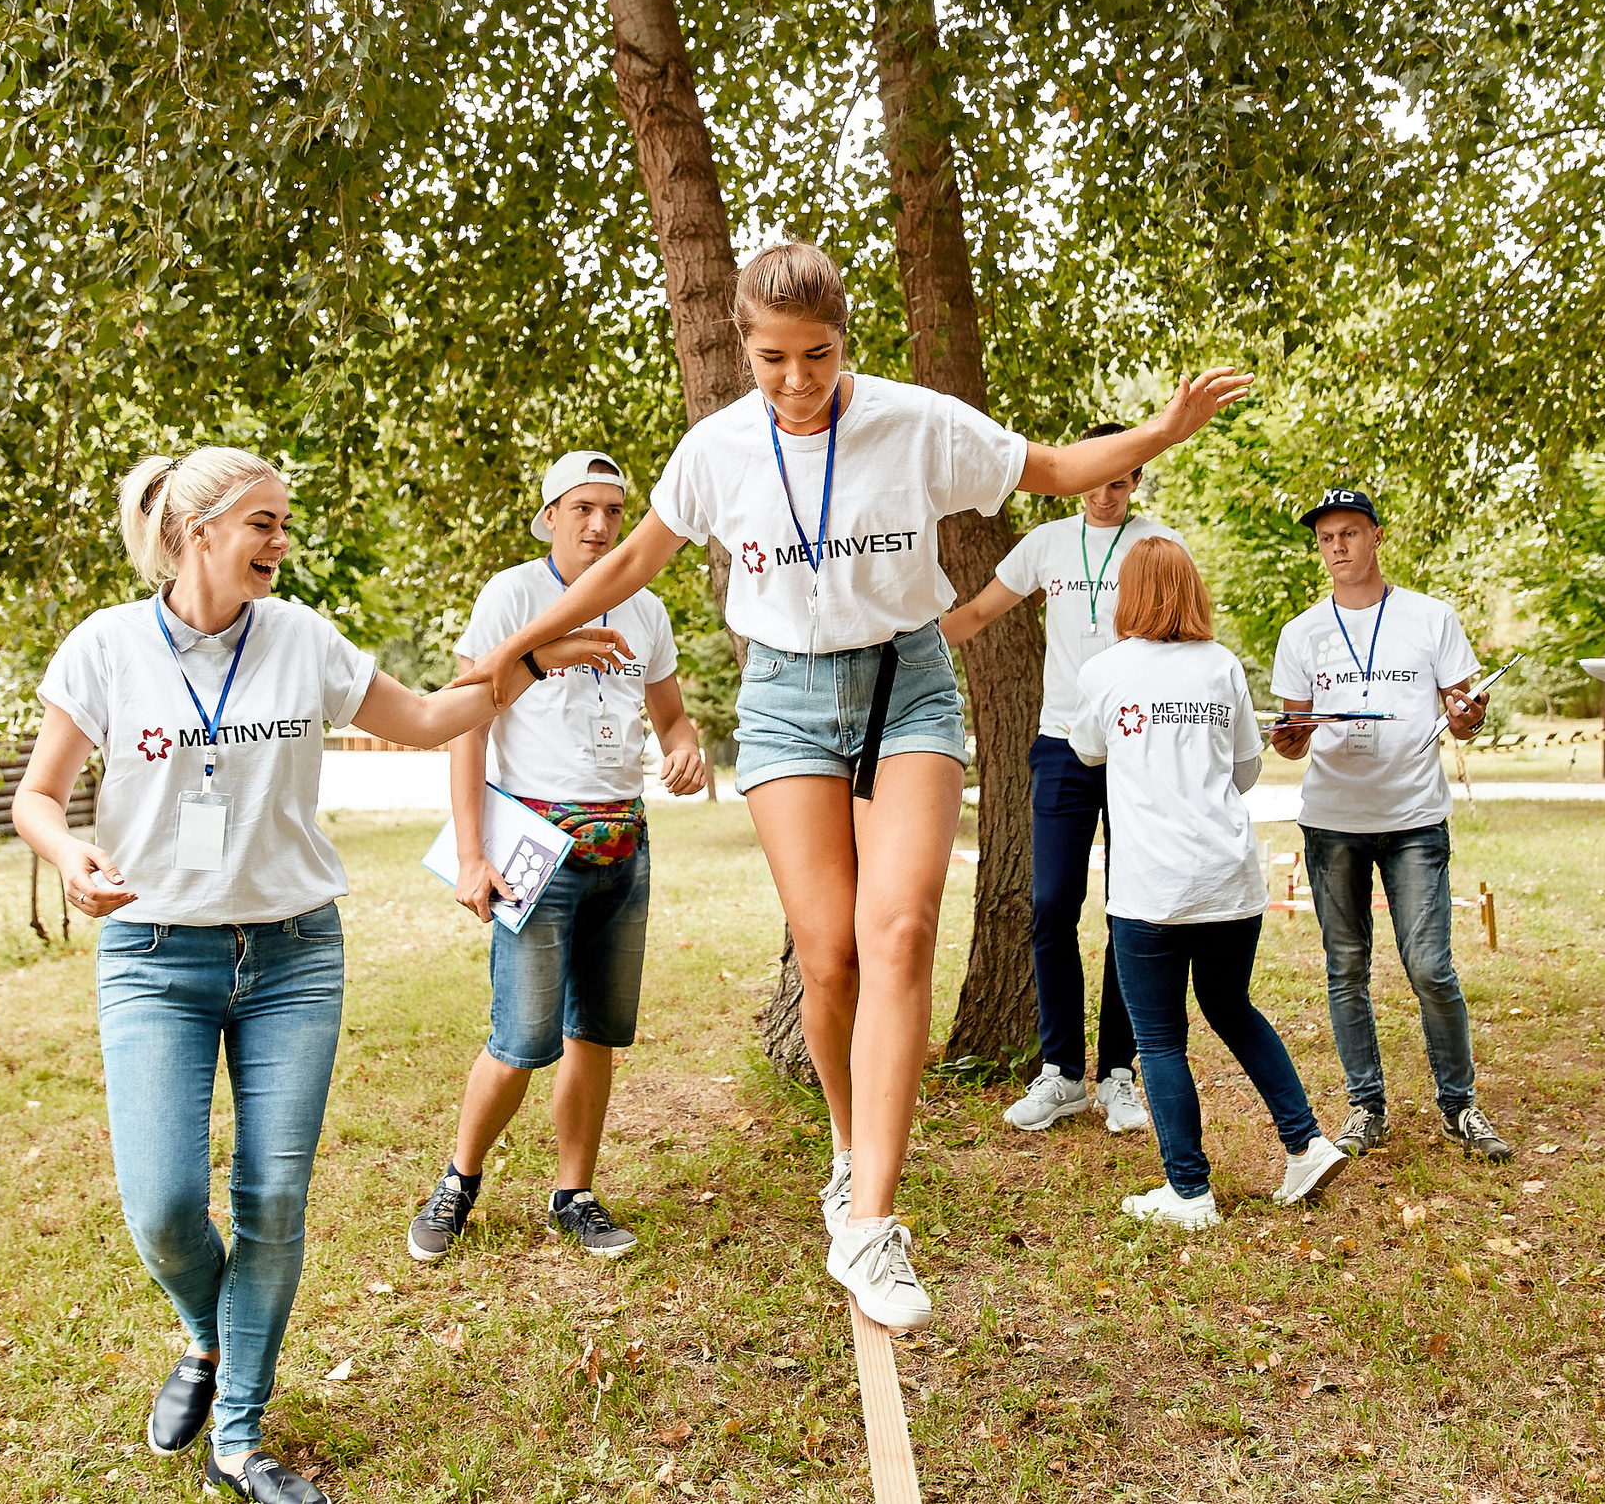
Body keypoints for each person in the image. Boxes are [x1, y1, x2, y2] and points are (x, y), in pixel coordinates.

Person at [456, 241, 1254, 1330]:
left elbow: (1056, 469)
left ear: (846, 341)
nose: (795, 381)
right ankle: (846, 1148)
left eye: (817, 356)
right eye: (773, 358)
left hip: (905, 682)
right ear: (743, 344)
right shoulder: (717, 448)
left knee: (902, 930)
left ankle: (874, 1224)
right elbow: (631, 564)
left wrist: (1160, 432)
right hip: (784, 698)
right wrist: (516, 645)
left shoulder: (915, 423)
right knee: (827, 957)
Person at [12, 447, 624, 1503]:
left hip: (294, 953)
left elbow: (433, 718)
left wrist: (538, 658)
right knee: (161, 1205)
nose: (280, 544)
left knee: (272, 1193)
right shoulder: (106, 647)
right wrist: (71, 857)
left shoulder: (300, 640)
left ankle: (238, 1437)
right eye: (263, 524)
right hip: (155, 954)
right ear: (197, 530)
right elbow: (39, 795)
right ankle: (210, 1339)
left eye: (284, 524)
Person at [407, 451, 710, 1265]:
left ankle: (572, 1193)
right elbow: (467, 724)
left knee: (595, 1035)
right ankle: (458, 1183)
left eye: (614, 509)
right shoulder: (512, 596)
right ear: (548, 517)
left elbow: (672, 716)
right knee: (520, 1038)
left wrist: (686, 747)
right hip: (536, 848)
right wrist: (472, 855)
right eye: (582, 508)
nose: (601, 524)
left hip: (624, 844)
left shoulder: (645, 609)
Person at [1070, 539, 1348, 1228]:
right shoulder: (1222, 665)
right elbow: (1246, 770)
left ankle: (1189, 1190)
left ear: (1126, 595)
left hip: (1151, 888)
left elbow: (1085, 749)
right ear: (1193, 591)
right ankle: (1306, 1140)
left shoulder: (1106, 671)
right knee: (1231, 1006)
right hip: (1228, 877)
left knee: (1160, 1038)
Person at [941, 424, 1182, 1137]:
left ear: (1135, 480)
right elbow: (982, 611)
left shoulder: (1159, 543)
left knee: (1129, 910)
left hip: (1137, 747)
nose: (1103, 493)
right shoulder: (1048, 541)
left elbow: (1180, 635)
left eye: (1119, 479)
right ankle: (1063, 1073)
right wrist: (897, 641)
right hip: (1059, 746)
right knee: (1050, 904)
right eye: (1093, 477)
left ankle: (1118, 1073)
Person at [1267, 489, 1507, 1164]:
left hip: (1413, 818)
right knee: (1346, 967)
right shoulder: (1302, 632)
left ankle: (1459, 1105)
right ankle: (1366, 1105)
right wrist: (1290, 738)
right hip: (1334, 819)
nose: (1336, 547)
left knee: (1431, 966)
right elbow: (1295, 736)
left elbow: (1466, 710)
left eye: (1348, 533)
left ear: (1375, 536)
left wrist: (1467, 716)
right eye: (1325, 538)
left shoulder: (1430, 617)